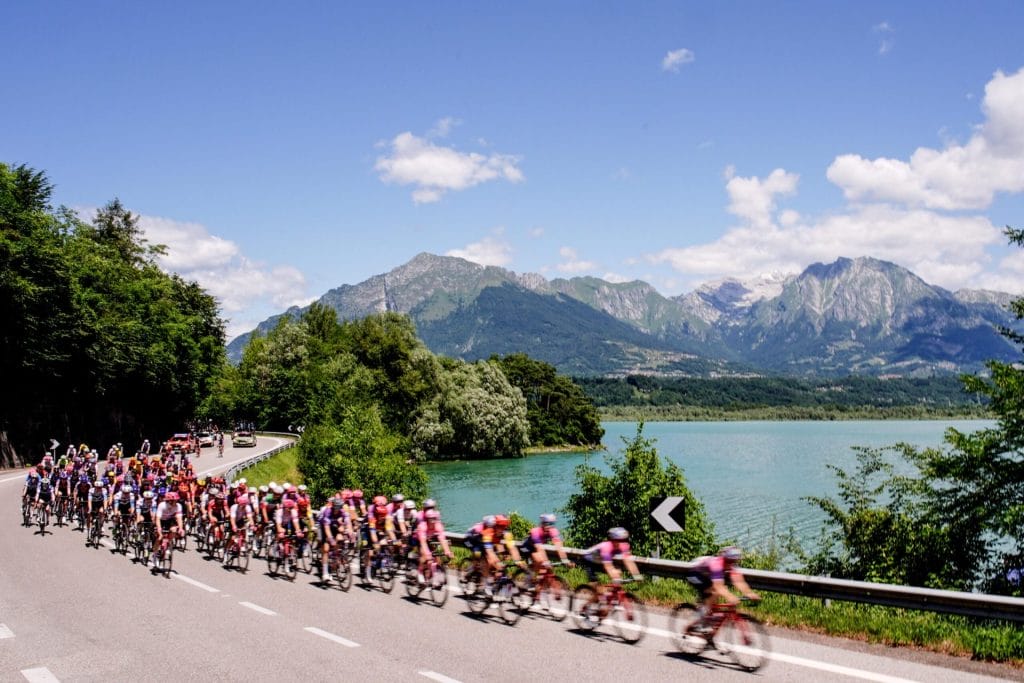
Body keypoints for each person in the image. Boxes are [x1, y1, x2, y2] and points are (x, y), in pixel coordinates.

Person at [686, 546, 760, 628]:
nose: (730, 564)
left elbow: (739, 582)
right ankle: (699, 619)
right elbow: (718, 586)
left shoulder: (731, 565)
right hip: (694, 574)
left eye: (733, 561)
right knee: (713, 592)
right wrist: (730, 596)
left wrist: (749, 593)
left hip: (706, 575)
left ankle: (708, 618)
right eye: (729, 561)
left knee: (716, 596)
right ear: (724, 558)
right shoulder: (717, 564)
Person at [582, 527, 641, 598]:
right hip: (590, 561)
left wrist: (636, 575)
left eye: (624, 540)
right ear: (613, 540)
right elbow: (608, 566)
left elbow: (629, 562)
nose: (622, 543)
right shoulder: (606, 547)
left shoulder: (624, 546)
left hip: (601, 561)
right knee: (595, 585)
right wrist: (615, 578)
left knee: (617, 576)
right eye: (619, 540)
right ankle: (590, 603)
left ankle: (608, 597)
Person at [415, 508, 453, 584]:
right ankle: (419, 572)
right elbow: (423, 543)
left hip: (429, 540)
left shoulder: (438, 526)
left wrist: (447, 551)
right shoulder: (423, 526)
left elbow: (442, 539)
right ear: (427, 519)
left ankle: (432, 575)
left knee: (435, 556)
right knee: (425, 555)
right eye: (430, 519)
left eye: (434, 519)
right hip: (419, 540)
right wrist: (427, 554)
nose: (432, 521)